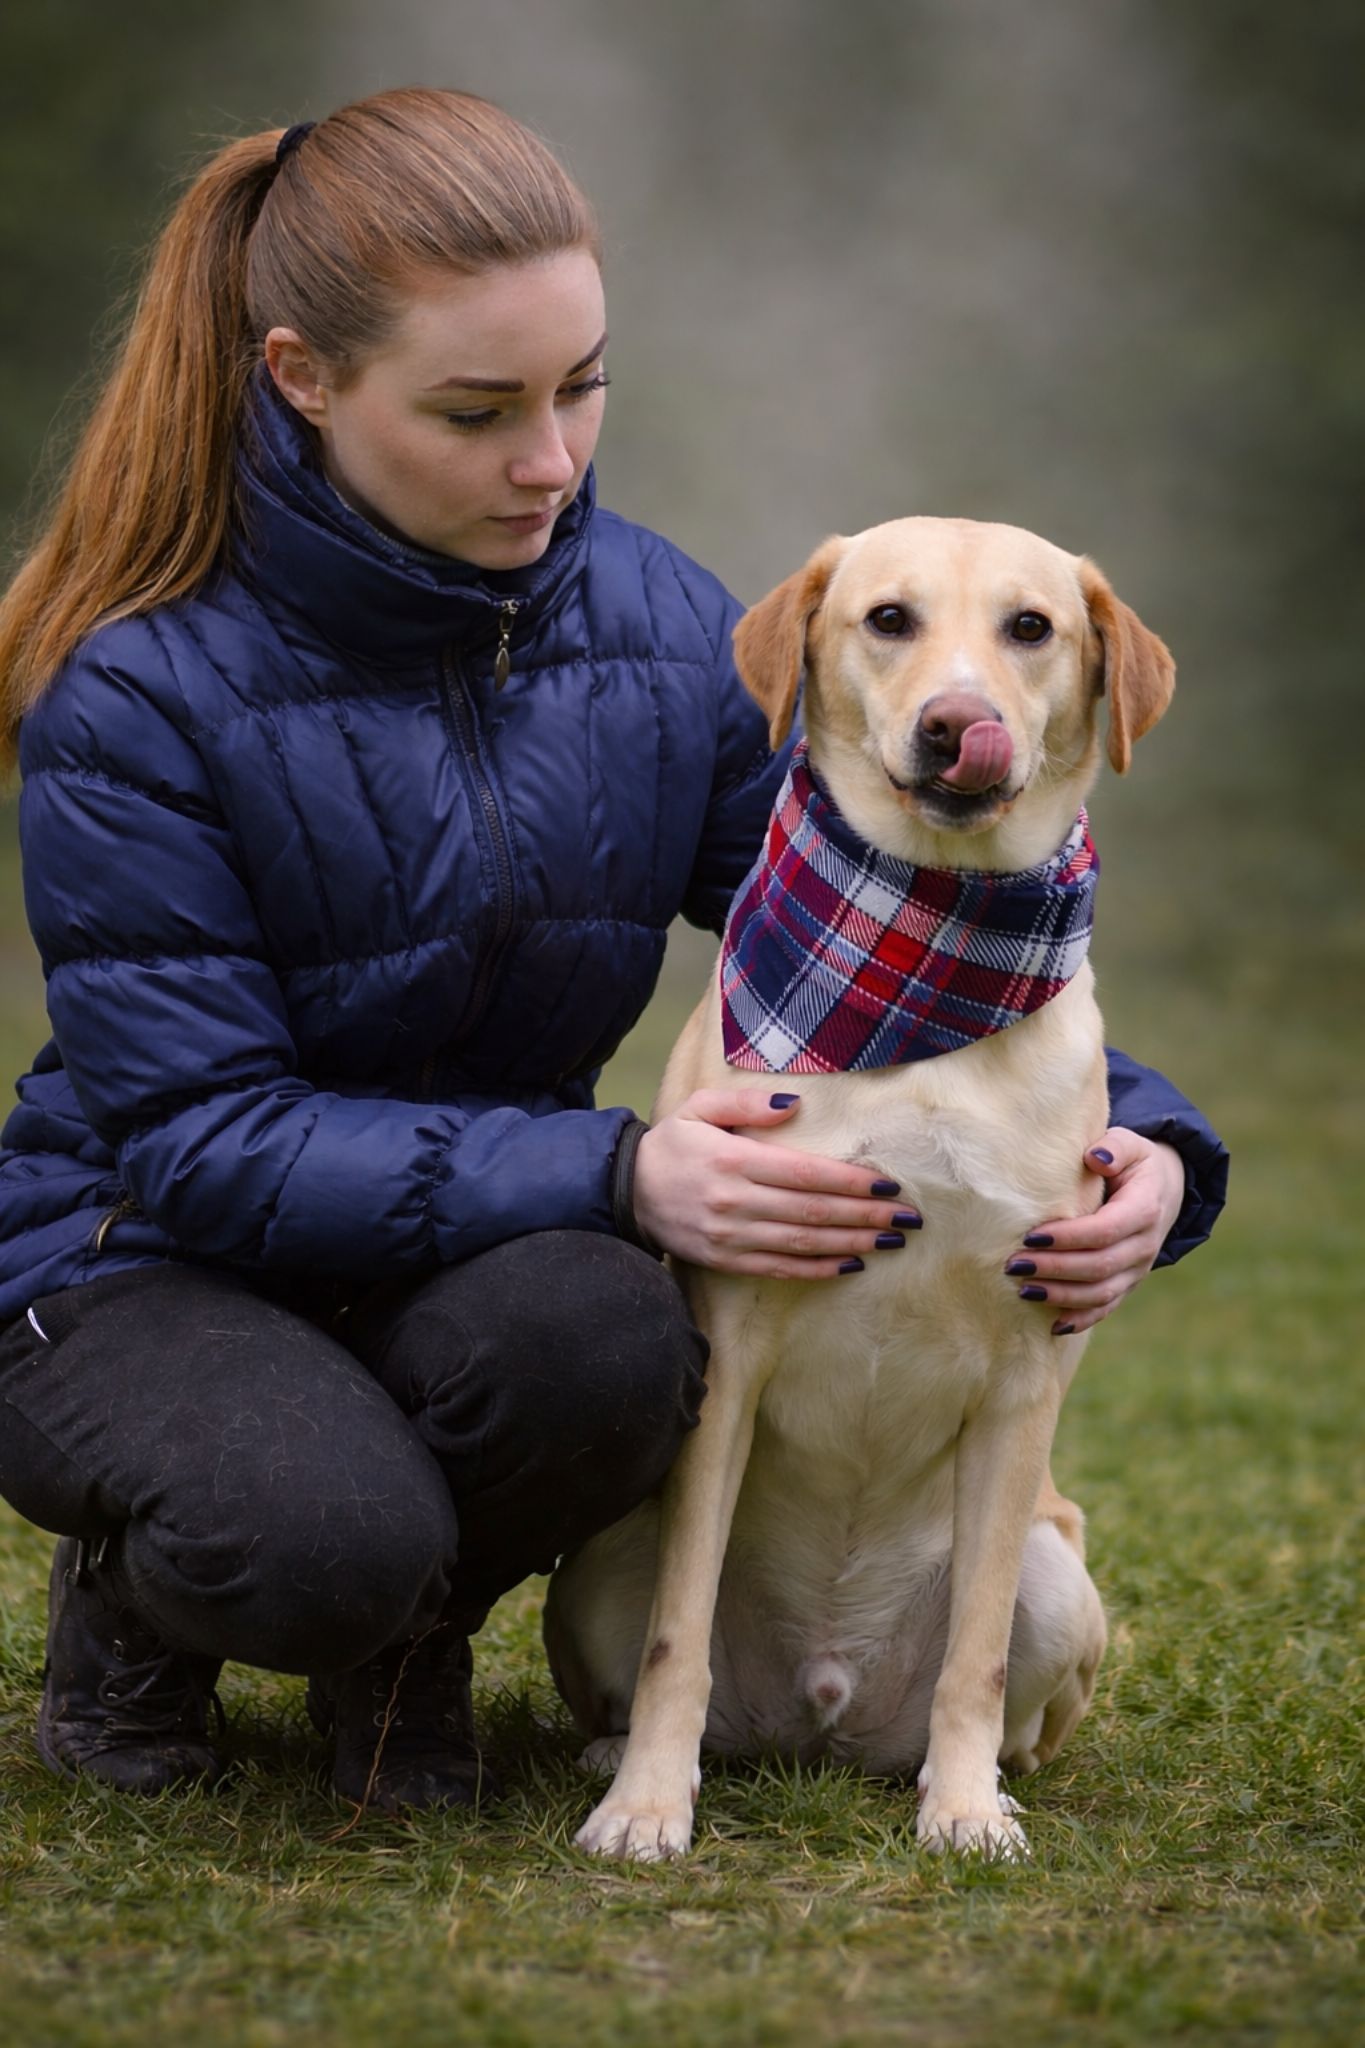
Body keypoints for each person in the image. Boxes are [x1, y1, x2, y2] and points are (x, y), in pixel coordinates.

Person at [0, 88, 1227, 1812]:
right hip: (144, 1258)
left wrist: (1140, 1143)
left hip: (466, 1239)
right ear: (302, 378)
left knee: (622, 1342)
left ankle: (410, 1634)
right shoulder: (137, 688)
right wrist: (620, 1173)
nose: (550, 460)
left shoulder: (655, 631)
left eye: (581, 388)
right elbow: (200, 1141)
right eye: (477, 410)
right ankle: (147, 1614)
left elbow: (870, 934)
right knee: (318, 1532)